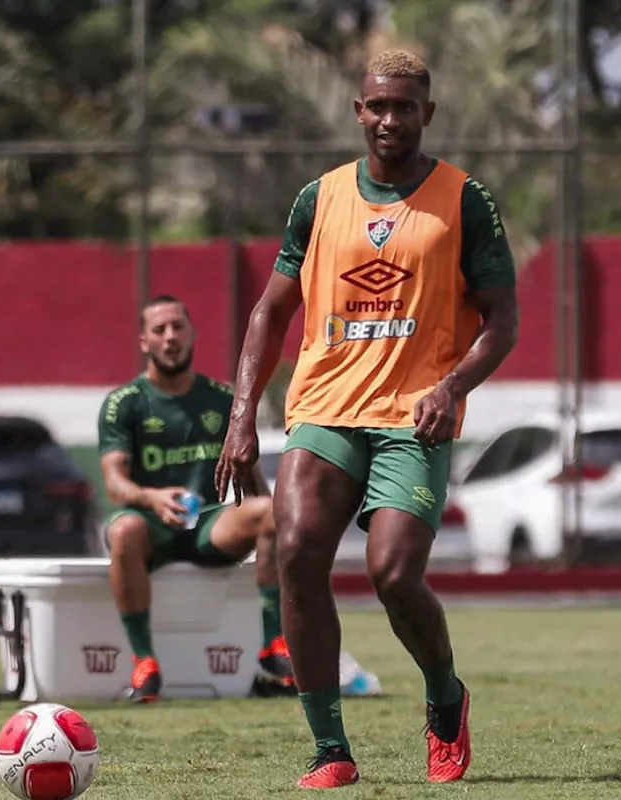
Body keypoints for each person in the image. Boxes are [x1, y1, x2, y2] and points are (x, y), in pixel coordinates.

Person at [215, 51, 520, 788]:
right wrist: (241, 414)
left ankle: (445, 697)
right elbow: (270, 312)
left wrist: (451, 388)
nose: (390, 119)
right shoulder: (318, 199)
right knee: (296, 552)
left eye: (405, 107)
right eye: (378, 106)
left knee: (392, 572)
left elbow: (503, 320)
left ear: (428, 113)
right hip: (322, 410)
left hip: (413, 419)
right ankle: (330, 750)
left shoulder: (464, 198)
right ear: (358, 111)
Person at [98, 295, 294, 704]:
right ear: (143, 342)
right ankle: (145, 663)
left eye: (178, 327)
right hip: (151, 526)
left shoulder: (222, 400)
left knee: (274, 511)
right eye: (159, 330)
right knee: (124, 529)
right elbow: (114, 483)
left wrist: (280, 529)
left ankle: (273, 644)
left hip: (208, 523)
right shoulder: (124, 403)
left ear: (192, 334)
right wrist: (151, 498)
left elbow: (253, 476)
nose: (170, 338)